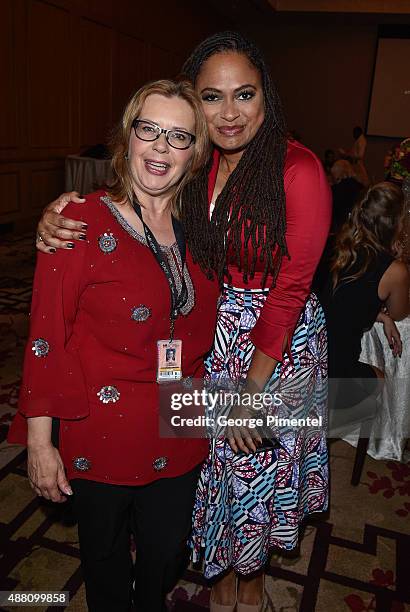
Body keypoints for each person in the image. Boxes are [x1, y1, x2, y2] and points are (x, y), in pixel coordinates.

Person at [34, 32, 331, 612]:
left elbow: (293, 286)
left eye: (244, 94)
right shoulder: (200, 165)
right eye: (212, 97)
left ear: (266, 97)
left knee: (255, 478)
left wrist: (252, 391)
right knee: (211, 481)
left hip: (274, 348)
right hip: (205, 339)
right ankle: (219, 583)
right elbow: (139, 204)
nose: (229, 112)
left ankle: (250, 588)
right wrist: (60, 209)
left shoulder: (298, 168)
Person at [8, 79, 220, 612]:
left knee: (165, 555)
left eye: (179, 136)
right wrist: (39, 443)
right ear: (127, 138)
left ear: (196, 153)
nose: (161, 148)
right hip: (101, 432)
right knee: (104, 561)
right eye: (149, 129)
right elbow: (44, 337)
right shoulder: (78, 222)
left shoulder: (201, 230)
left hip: (180, 425)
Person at [321, 182, 409, 417]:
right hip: (334, 377)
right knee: (383, 380)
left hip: (308, 363)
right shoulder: (394, 270)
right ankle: (325, 429)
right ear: (395, 224)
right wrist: (398, 259)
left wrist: (379, 315)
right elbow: (400, 313)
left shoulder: (337, 246)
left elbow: (341, 301)